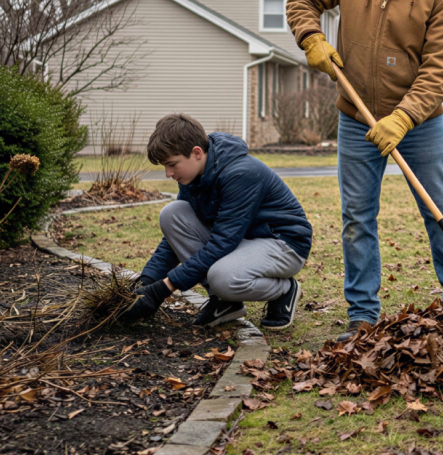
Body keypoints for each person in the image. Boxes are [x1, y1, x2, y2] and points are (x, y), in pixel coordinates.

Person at [286, 0, 443, 342]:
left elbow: (440, 68)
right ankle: (362, 316)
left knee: (442, 214)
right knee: (357, 218)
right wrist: (311, 36)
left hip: (420, 126)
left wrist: (403, 118)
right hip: (356, 119)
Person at [122, 114, 313, 330]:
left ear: (196, 152)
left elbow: (222, 243)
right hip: (241, 241)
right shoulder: (194, 176)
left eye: (172, 164)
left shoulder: (241, 173)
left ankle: (285, 290)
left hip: (282, 243)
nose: (168, 173)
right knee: (172, 213)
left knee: (223, 278)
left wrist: (163, 289)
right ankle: (225, 302)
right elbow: (174, 241)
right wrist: (145, 283)